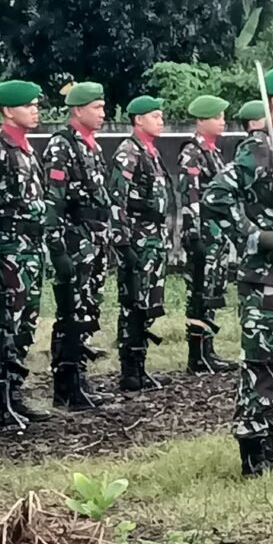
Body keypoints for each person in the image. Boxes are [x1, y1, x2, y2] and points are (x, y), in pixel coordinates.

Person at [202, 68, 273, 477]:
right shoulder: (260, 148)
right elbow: (216, 197)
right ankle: (253, 455)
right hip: (266, 279)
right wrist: (256, 236)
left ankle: (269, 443)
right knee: (263, 362)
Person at [43, 82, 112, 410]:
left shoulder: (91, 145)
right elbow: (54, 200)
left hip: (94, 237)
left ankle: (79, 378)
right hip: (74, 238)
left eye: (103, 107)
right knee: (71, 310)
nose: (103, 113)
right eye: (96, 108)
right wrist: (57, 247)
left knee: (87, 309)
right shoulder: (62, 145)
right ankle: (65, 385)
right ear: (77, 110)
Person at [108, 96, 173, 391]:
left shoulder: (150, 152)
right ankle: (129, 370)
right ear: (138, 119)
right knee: (132, 303)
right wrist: (123, 244)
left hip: (153, 239)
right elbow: (117, 199)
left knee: (148, 303)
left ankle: (141, 365)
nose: (161, 121)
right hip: (136, 239)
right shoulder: (128, 152)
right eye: (155, 116)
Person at [0, 80, 49, 427]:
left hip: (29, 249)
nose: (35, 111)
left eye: (36, 105)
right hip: (8, 249)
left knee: (26, 320)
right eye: (28, 105)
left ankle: (14, 393)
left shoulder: (26, 148)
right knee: (6, 322)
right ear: (7, 110)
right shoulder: (2, 149)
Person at [178, 94, 236, 374]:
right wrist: (194, 234)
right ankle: (196, 355)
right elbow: (189, 195)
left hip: (217, 235)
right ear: (201, 121)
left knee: (212, 291)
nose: (222, 122)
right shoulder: (192, 153)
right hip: (202, 235)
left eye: (222, 116)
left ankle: (208, 350)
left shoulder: (213, 152)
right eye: (216, 117)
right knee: (199, 292)